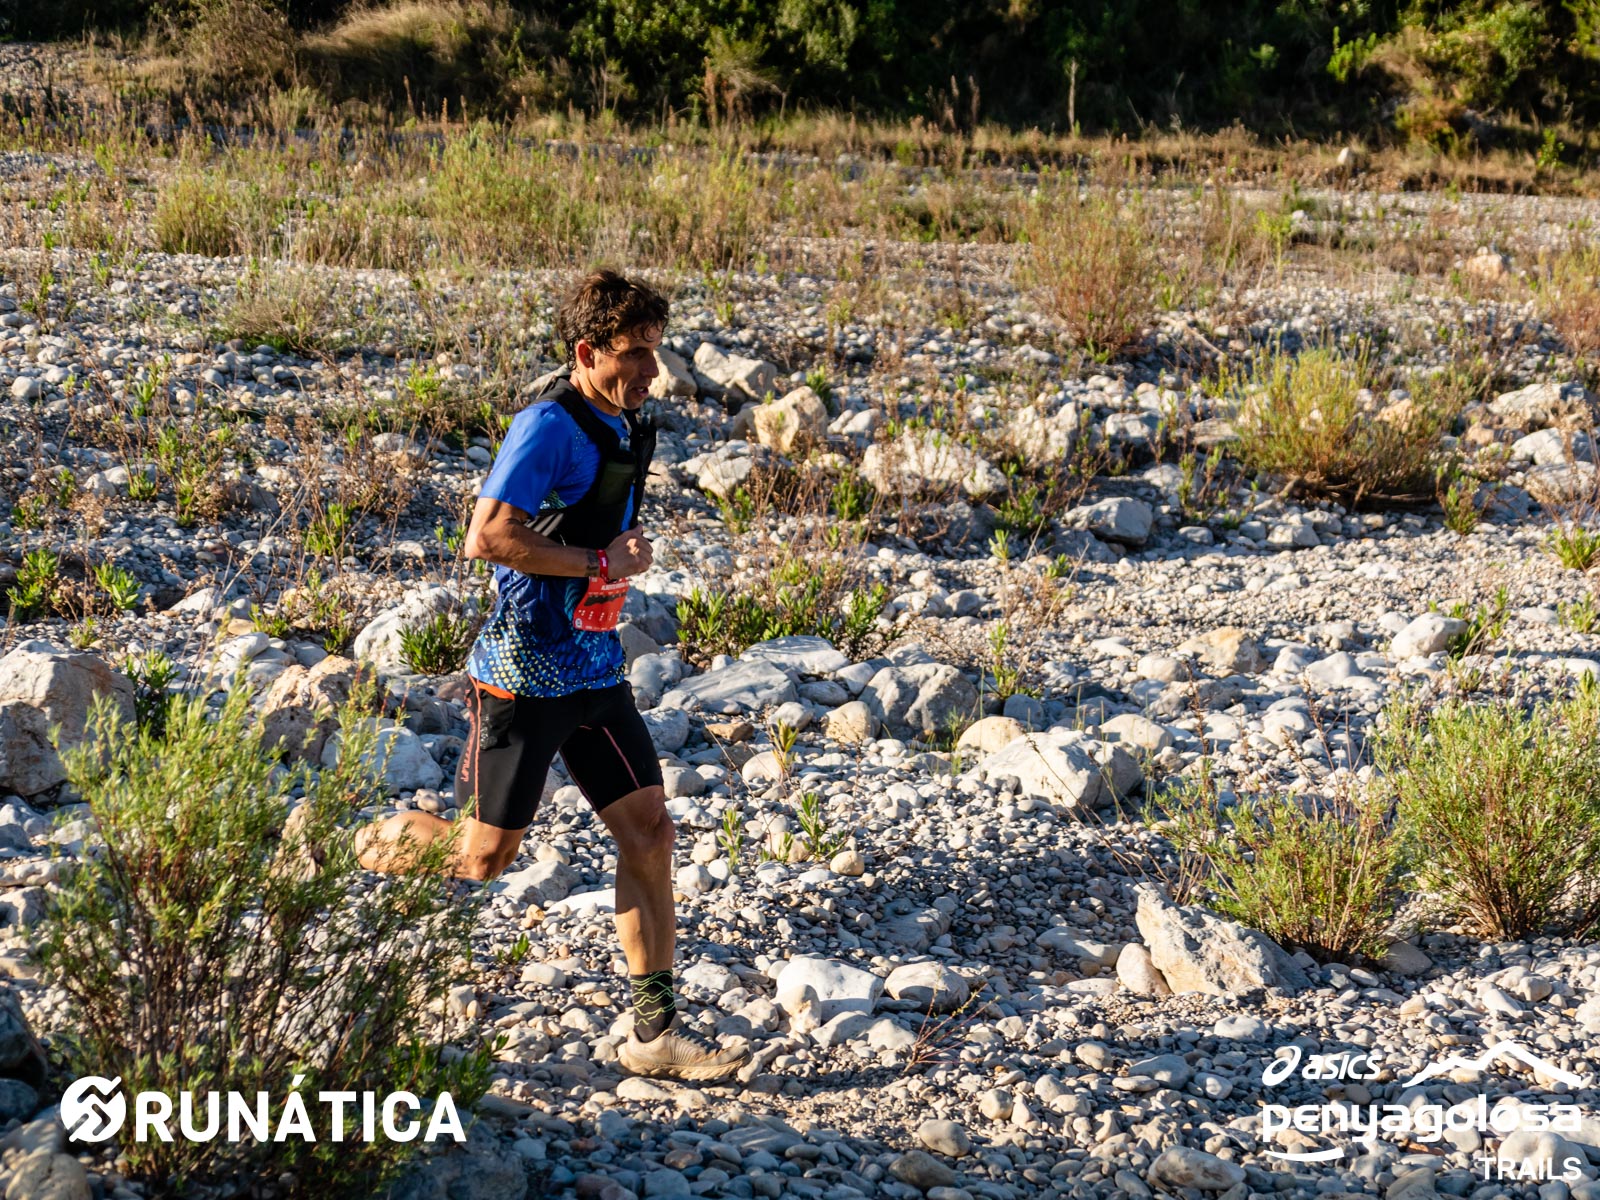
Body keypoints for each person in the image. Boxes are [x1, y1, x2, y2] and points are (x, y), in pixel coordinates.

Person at [355, 269, 748, 1082]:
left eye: (656, 351)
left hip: (595, 669)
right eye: (634, 353)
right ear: (587, 352)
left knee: (651, 833)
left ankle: (654, 1035)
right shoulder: (546, 425)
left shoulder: (627, 423)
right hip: (524, 675)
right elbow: (488, 537)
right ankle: (346, 842)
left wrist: (610, 566)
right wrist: (601, 563)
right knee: (481, 859)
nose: (652, 369)